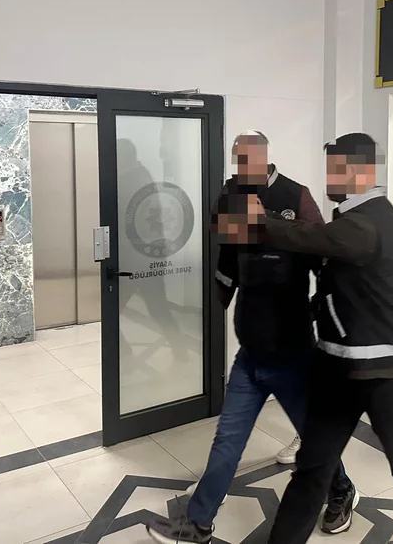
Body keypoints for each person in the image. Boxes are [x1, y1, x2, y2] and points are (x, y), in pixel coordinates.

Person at [145, 132, 356, 544]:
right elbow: (226, 255)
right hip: (251, 354)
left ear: (263, 157)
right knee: (227, 440)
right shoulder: (232, 195)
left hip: (293, 353)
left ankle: (342, 491)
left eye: (246, 159)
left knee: (315, 440)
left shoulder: (296, 196)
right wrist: (210, 311)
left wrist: (335, 328)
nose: (240, 167)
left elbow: (324, 256)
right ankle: (198, 523)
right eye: (236, 159)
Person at [256, 132, 393, 544]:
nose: (327, 177)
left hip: (387, 371)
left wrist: (258, 222)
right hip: (337, 367)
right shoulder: (353, 218)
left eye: (334, 169)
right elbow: (332, 272)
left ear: (359, 170)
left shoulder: (370, 220)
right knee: (312, 466)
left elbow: (311, 239)